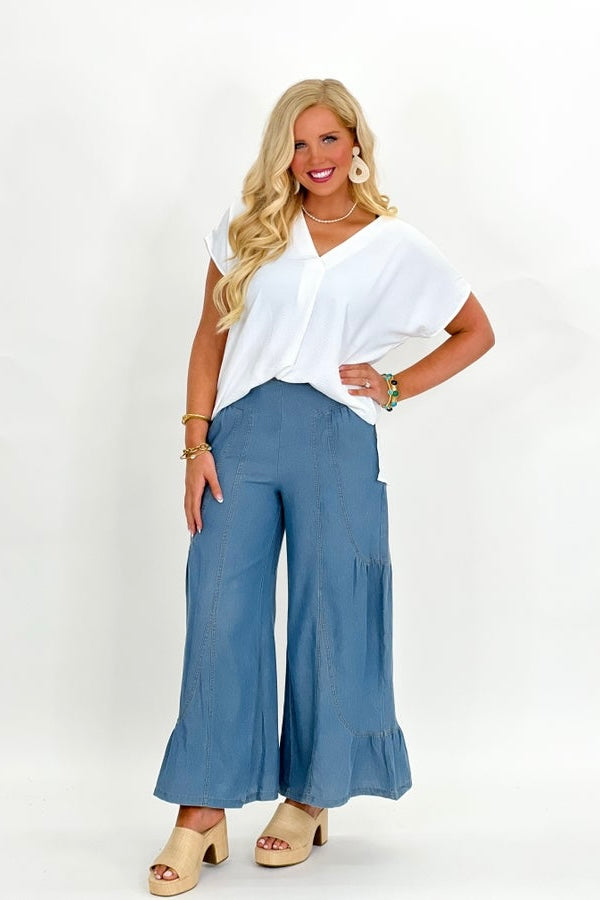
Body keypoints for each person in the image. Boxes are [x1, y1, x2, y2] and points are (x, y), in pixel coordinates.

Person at [147, 77, 495, 895]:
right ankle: (201, 810)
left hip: (337, 439)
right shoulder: (248, 227)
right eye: (298, 144)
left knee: (332, 612)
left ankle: (311, 794)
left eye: (329, 139)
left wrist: (395, 385)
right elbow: (209, 338)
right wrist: (195, 443)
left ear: (356, 144)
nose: (314, 158)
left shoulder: (395, 245)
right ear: (283, 154)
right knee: (219, 610)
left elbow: (475, 330)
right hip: (240, 437)